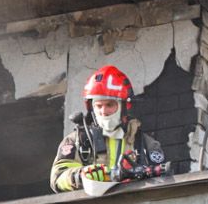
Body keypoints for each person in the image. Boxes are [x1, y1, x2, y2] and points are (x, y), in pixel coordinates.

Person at [49, 65, 168, 193]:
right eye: (98, 106)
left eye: (109, 105)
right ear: (91, 107)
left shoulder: (144, 144)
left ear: (124, 106)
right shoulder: (77, 140)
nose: (103, 111)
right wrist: (81, 175)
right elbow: (57, 179)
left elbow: (163, 181)